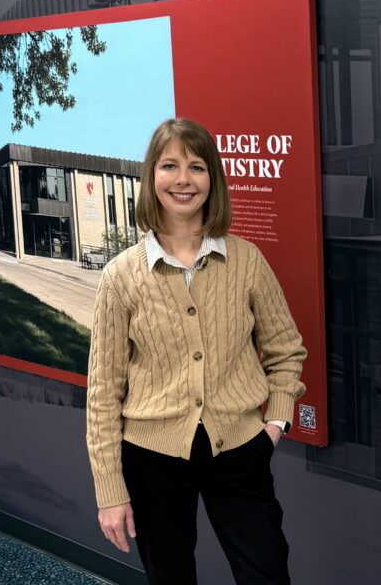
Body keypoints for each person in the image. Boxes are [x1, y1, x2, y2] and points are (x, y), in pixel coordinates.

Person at [86, 117, 306, 585]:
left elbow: (286, 350)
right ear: (151, 178)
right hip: (151, 456)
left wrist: (275, 424)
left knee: (267, 573)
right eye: (169, 165)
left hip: (241, 446)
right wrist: (110, 489)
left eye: (197, 166)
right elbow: (104, 392)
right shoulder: (121, 277)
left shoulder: (246, 261)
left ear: (214, 180)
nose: (183, 179)